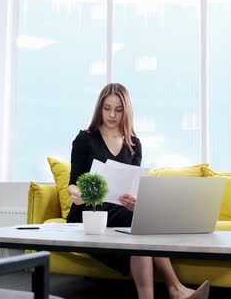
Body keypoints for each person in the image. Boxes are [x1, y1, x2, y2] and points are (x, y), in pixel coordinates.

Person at [66, 83, 210, 299]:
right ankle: (176, 289)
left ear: (127, 111)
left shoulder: (134, 144)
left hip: (121, 211)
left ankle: (169, 291)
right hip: (90, 211)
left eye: (118, 109)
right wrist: (75, 193)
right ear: (99, 109)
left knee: (140, 220)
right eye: (107, 108)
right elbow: (73, 182)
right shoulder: (85, 139)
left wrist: (134, 200)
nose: (112, 115)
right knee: (139, 223)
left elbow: (132, 186)